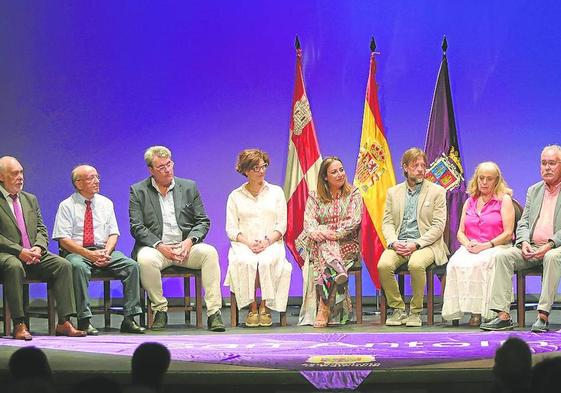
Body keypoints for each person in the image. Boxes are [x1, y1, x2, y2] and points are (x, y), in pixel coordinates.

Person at [129, 146, 225, 332]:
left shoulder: (189, 187)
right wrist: (159, 245)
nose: (167, 170)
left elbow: (202, 221)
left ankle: (214, 312)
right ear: (151, 170)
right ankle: (160, 310)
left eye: (169, 164)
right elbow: (137, 227)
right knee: (145, 259)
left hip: (185, 247)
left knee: (209, 253)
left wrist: (190, 241)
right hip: (158, 249)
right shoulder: (138, 191)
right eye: (161, 167)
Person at [0, 156, 86, 339]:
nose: (20, 177)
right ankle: (19, 323)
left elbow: (41, 228)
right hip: (7, 254)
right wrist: (19, 251)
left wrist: (38, 247)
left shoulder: (30, 199)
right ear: (1, 177)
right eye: (15, 173)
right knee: (13, 266)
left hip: (32, 253)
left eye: (21, 172)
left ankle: (64, 322)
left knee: (63, 265)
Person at [53, 164, 145, 335]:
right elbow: (63, 239)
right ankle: (84, 319)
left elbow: (113, 234)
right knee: (78, 267)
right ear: (79, 183)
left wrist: (106, 253)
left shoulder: (106, 203)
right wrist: (89, 254)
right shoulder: (67, 205)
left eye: (97, 177)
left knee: (131, 266)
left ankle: (129, 318)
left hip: (103, 250)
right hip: (77, 252)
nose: (96, 181)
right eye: (91, 178)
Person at [481, 145, 561, 332]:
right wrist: (524, 242)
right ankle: (503, 316)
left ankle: (543, 315)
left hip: (555, 249)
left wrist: (550, 244)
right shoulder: (534, 190)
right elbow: (523, 222)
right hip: (532, 247)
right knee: (503, 256)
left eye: (552, 163)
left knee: (551, 257)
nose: (547, 168)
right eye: (543, 163)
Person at [378, 147, 448, 327]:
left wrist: (416, 244)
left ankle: (416, 311)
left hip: (426, 245)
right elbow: (387, 222)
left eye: (423, 165)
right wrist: (393, 242)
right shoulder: (393, 192)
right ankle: (398, 309)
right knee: (384, 265)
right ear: (405, 167)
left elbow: (438, 227)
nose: (420, 169)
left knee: (415, 264)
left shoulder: (437, 192)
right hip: (399, 243)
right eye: (415, 165)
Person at [224, 149, 292, 327]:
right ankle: (252, 308)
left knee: (266, 262)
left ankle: (265, 307)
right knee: (247, 262)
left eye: (263, 166)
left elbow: (281, 225)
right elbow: (231, 229)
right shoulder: (235, 196)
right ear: (246, 171)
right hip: (244, 244)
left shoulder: (276, 192)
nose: (261, 171)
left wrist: (267, 241)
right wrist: (248, 243)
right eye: (256, 168)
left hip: (271, 243)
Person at [441, 162, 515, 325]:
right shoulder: (470, 201)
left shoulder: (504, 200)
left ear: (497, 181)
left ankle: (484, 312)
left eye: (489, 179)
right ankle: (468, 311)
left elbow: (508, 233)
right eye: (481, 178)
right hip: (472, 245)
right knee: (455, 263)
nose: (484, 182)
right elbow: (460, 232)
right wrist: (467, 244)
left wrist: (487, 245)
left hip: (496, 245)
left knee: (482, 263)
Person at [296, 156, 362, 327]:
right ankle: (337, 268)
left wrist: (330, 233)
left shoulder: (353, 193)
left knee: (326, 249)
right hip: (319, 244)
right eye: (334, 172)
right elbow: (308, 221)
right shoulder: (315, 195)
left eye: (341, 170)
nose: (340, 174)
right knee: (325, 247)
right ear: (325, 177)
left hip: (347, 244)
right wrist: (317, 232)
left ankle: (323, 309)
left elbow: (354, 221)